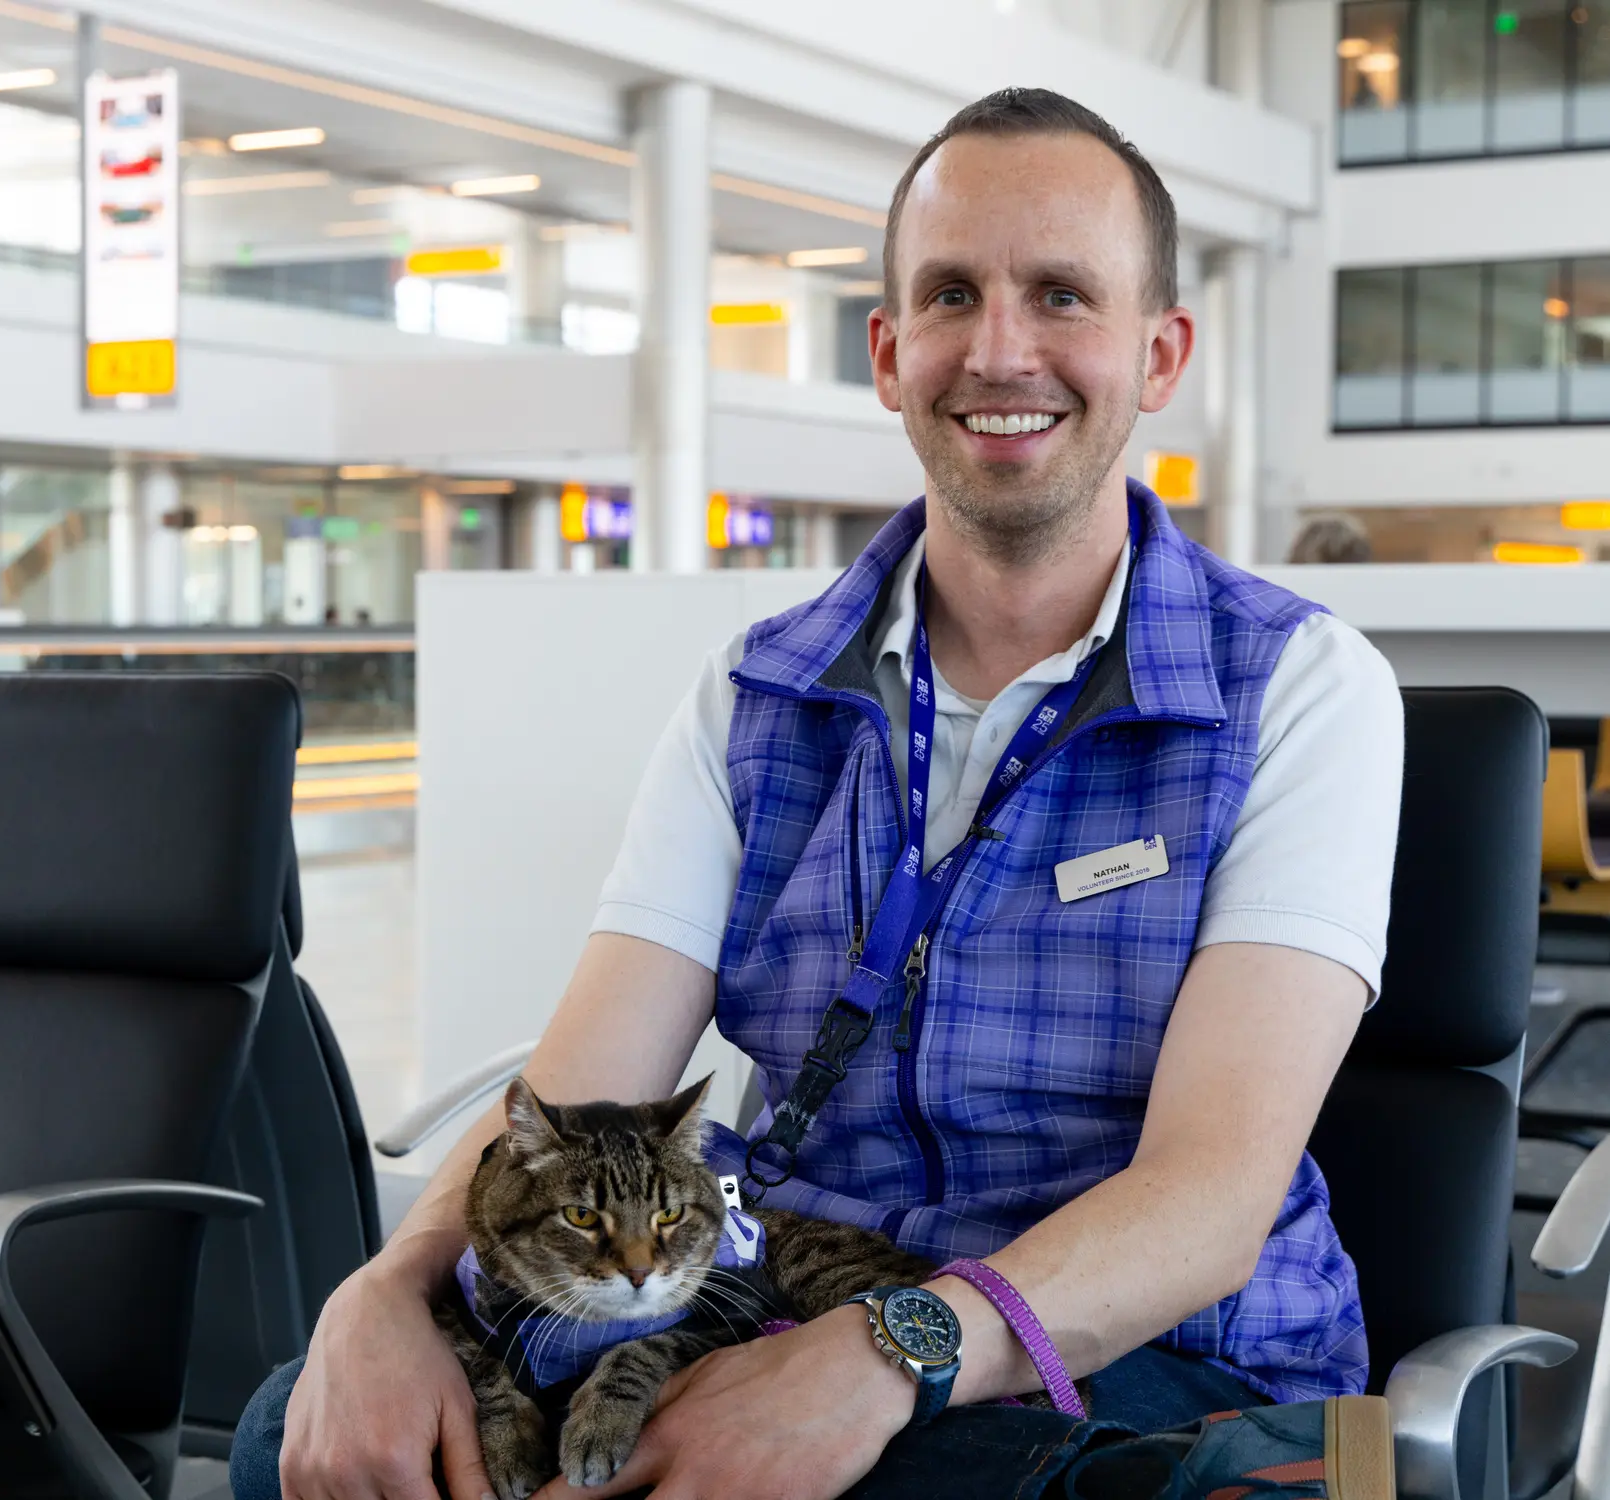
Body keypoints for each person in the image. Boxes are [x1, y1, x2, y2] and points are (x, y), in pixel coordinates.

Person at [233, 88, 1402, 1500]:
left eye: (1061, 296)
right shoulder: (755, 695)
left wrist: (879, 1357)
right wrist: (385, 1291)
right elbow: (581, 1087)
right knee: (316, 1436)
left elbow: (1206, 1204)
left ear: (1158, 355)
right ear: (887, 350)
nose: (999, 348)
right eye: (950, 294)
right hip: (766, 1293)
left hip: (1154, 1350)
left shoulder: (1297, 689)